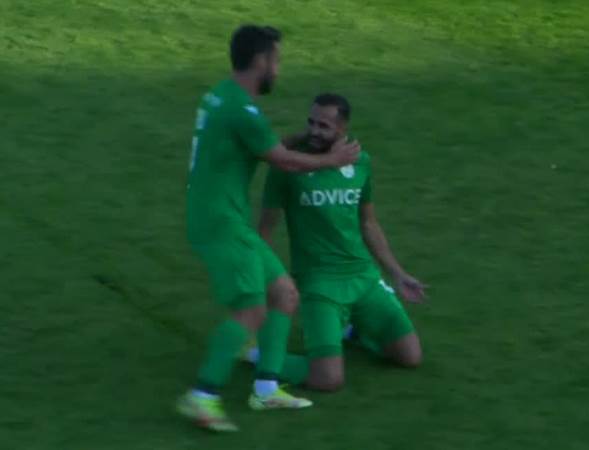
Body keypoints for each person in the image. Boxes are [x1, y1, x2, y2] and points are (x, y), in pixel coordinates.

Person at [177, 27, 360, 432]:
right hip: (221, 223)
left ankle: (266, 388)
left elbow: (262, 145)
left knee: (284, 293)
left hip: (221, 217)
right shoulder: (242, 110)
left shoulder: (221, 95)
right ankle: (203, 395)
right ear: (261, 61)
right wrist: (332, 160)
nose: (278, 69)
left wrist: (300, 138)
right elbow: (283, 160)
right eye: (276, 60)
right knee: (251, 309)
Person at [256, 93, 426, 392]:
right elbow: (265, 230)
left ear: (343, 128)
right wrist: (272, 281)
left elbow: (368, 222)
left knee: (411, 356)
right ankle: (259, 356)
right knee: (328, 379)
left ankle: (352, 329)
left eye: (324, 126)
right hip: (319, 285)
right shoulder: (289, 167)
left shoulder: (360, 163)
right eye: (311, 122)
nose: (314, 131)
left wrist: (398, 274)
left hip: (363, 278)